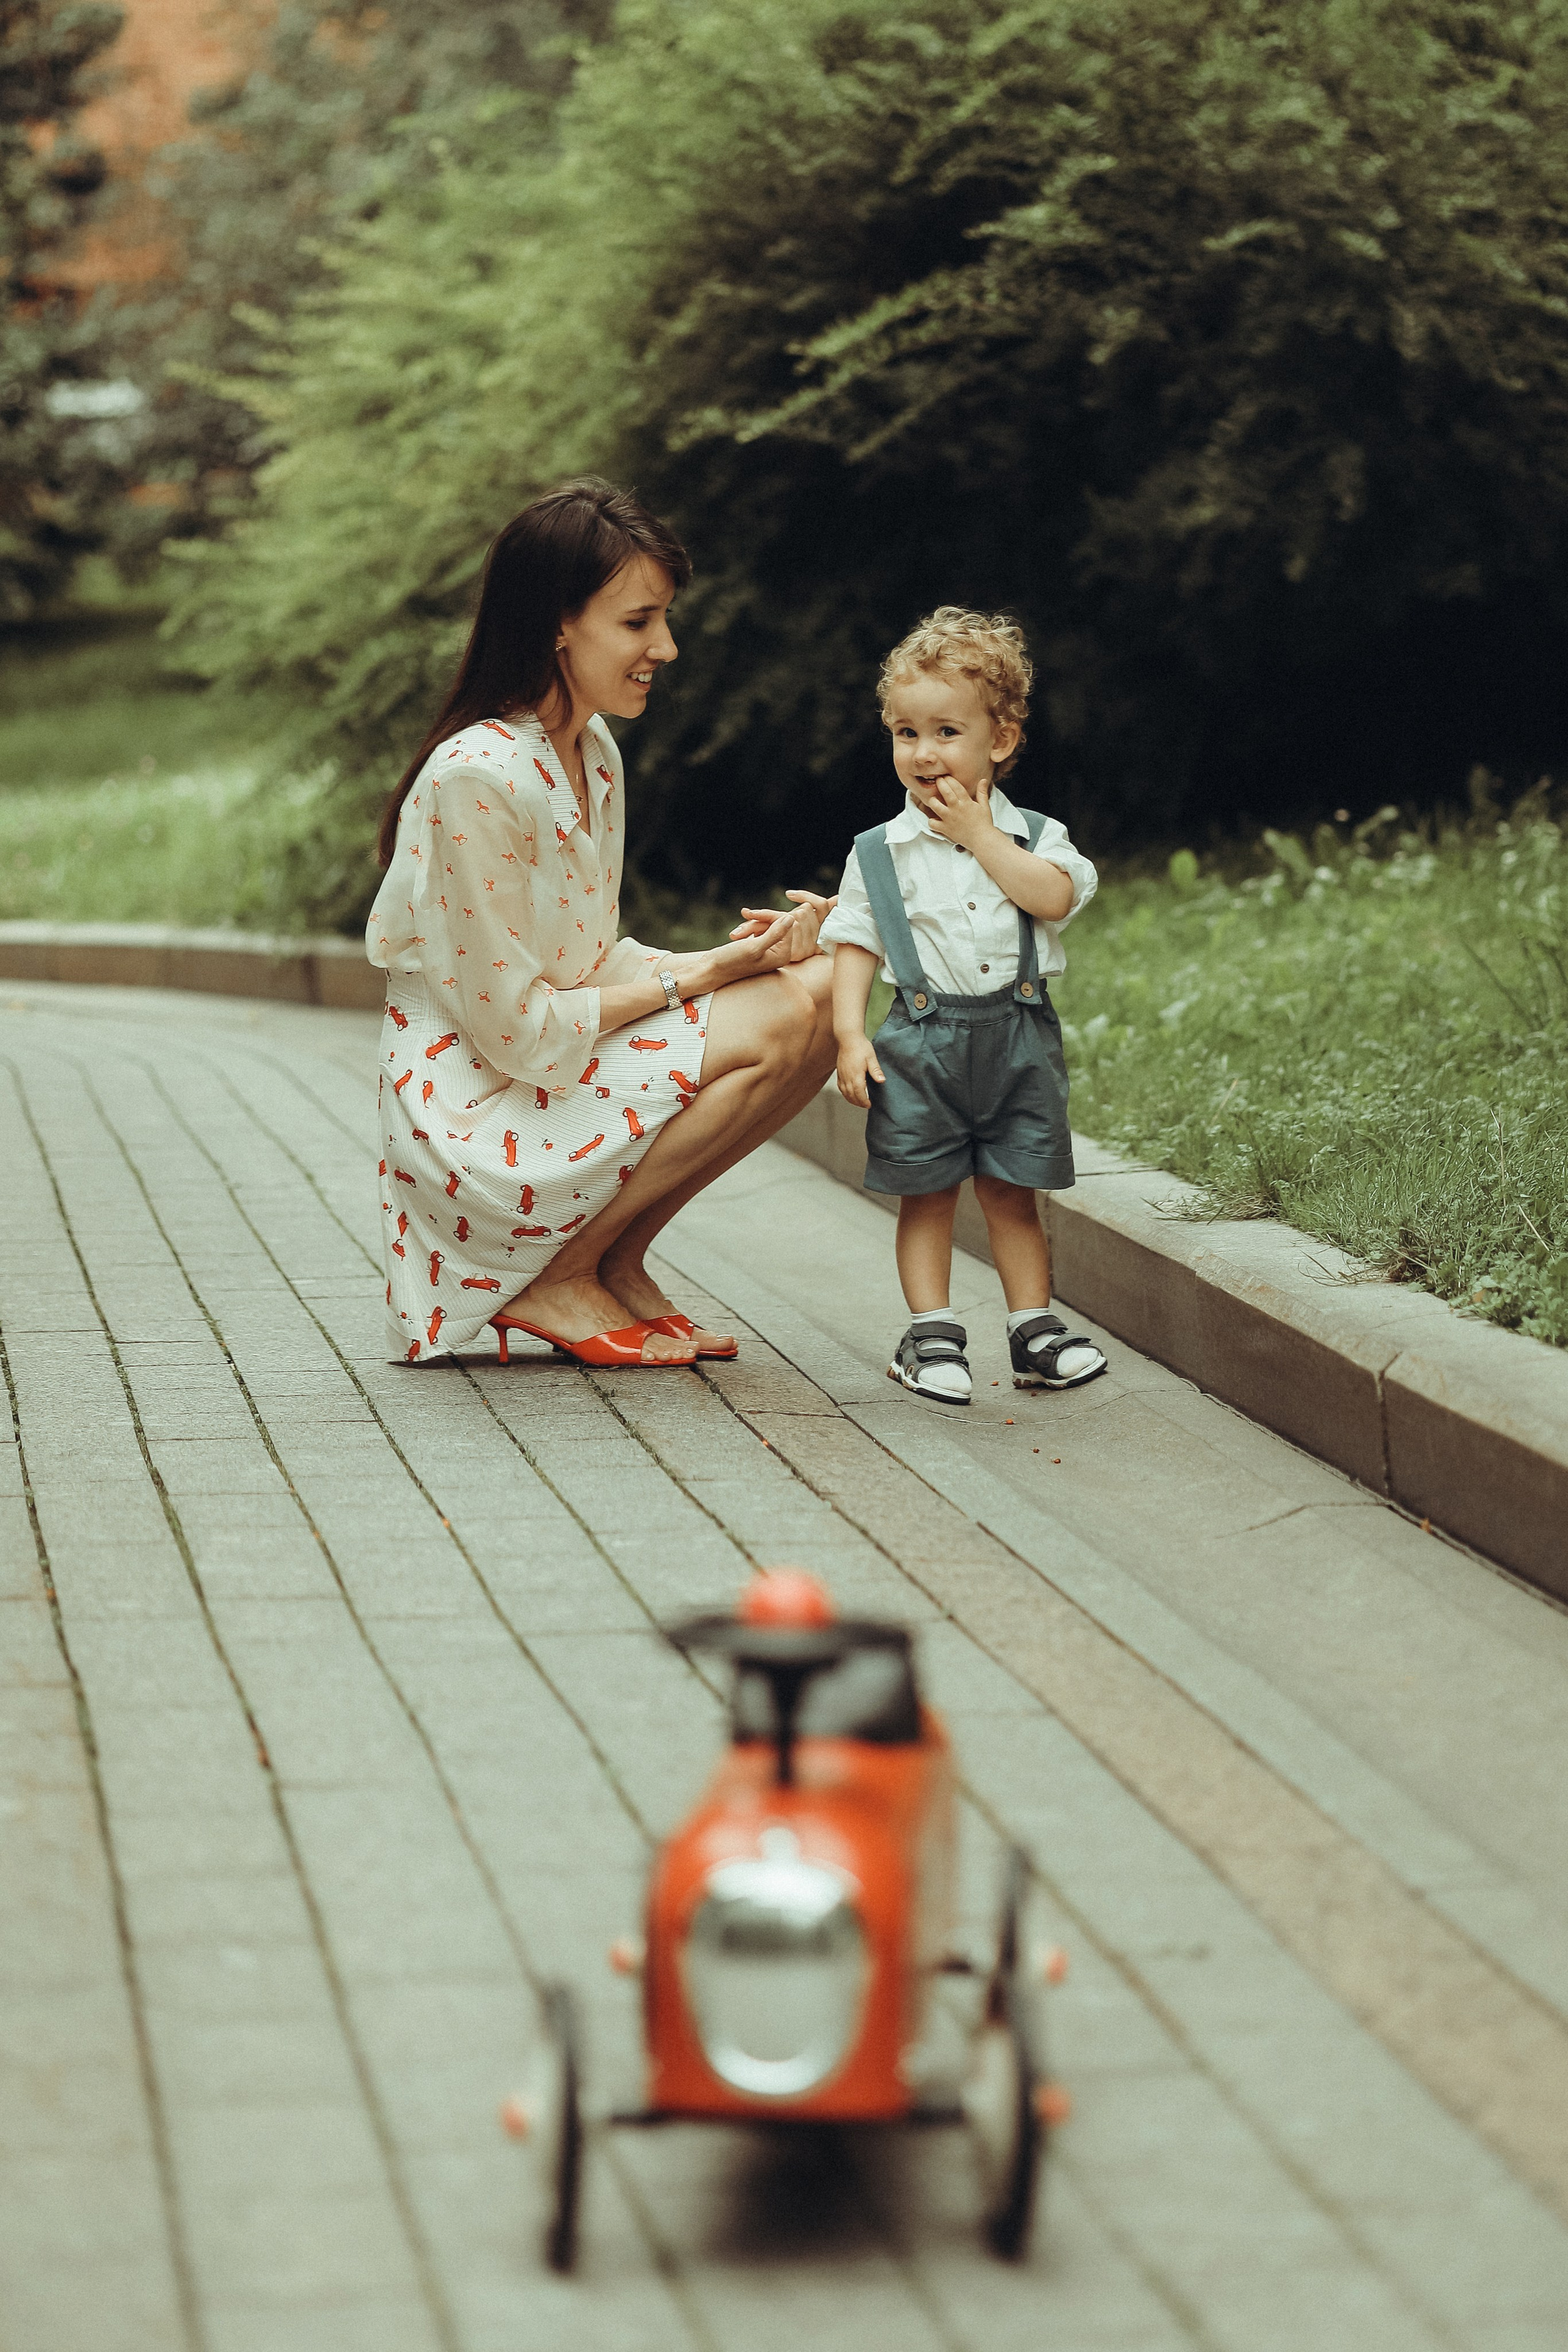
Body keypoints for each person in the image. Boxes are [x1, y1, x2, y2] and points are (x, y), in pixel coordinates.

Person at [367, 478, 835, 1367]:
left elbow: (588, 961)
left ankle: (614, 1261)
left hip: (543, 1056)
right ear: (557, 623)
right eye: (637, 622)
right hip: (476, 1102)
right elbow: (515, 1030)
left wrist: (743, 956)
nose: (665, 645)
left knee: (813, 986)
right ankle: (554, 1275)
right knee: (779, 1013)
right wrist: (699, 978)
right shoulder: (478, 776)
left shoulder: (590, 751)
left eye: (662, 618)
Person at [820, 607, 1109, 1406]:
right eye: (906, 732)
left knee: (1015, 1192)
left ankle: (1033, 1331)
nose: (923, 751)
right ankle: (931, 1335)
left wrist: (985, 838)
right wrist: (850, 1034)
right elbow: (855, 940)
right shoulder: (878, 851)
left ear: (1002, 740)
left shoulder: (1036, 837)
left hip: (1015, 1041)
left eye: (946, 731)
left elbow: (1052, 900)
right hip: (921, 1041)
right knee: (929, 1191)